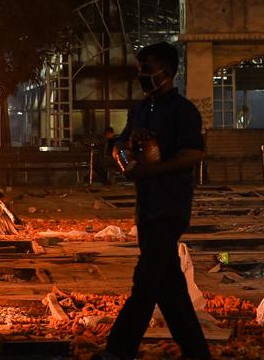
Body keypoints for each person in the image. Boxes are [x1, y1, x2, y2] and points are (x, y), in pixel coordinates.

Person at [93, 42, 211, 360]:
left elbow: (194, 153)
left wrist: (156, 167)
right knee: (170, 288)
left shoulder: (183, 111)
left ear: (168, 72)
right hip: (146, 206)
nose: (143, 75)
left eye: (149, 69)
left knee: (144, 283)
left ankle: (118, 350)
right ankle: (197, 352)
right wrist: (120, 149)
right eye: (141, 69)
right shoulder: (141, 110)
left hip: (170, 207)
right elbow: (124, 142)